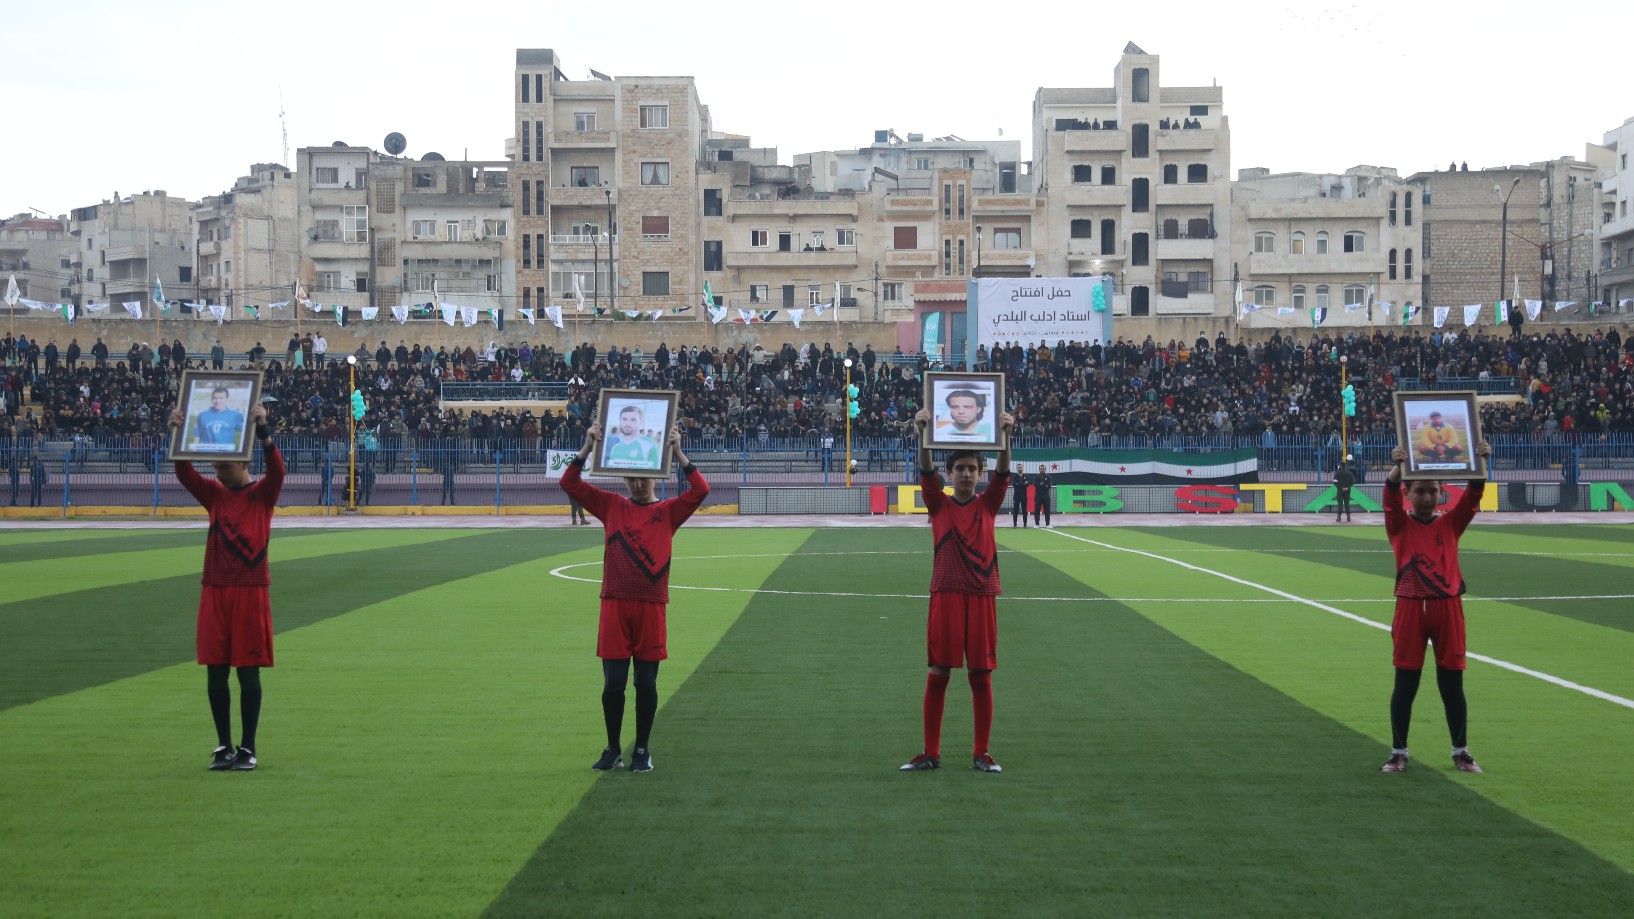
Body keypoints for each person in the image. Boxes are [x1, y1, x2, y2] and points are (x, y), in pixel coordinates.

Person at [561, 421, 709, 774]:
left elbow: (701, 489)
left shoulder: (668, 511)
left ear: (656, 477)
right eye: (630, 478)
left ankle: (641, 749)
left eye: (642, 478)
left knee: (645, 683)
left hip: (651, 605)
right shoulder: (611, 505)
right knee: (613, 684)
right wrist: (587, 447)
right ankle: (613, 749)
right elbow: (569, 483)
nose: (636, 483)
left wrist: (677, 451)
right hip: (615, 603)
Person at [169, 401, 284, 772]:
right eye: (215, 467)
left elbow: (278, 471)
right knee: (215, 669)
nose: (217, 473)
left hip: (251, 589)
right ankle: (223, 746)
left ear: (244, 462)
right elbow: (184, 473)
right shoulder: (215, 495)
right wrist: (178, 430)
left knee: (248, 670)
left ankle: (248, 748)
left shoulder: (262, 495)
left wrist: (263, 429)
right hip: (215, 588)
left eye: (224, 467)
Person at [901, 405, 1016, 774]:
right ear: (950, 473)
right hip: (946, 593)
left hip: (982, 594)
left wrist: (1006, 438)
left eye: (972, 469)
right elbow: (925, 473)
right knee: (939, 673)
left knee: (980, 676)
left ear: (980, 474)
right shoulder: (938, 504)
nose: (966, 474)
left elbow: (1003, 475)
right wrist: (922, 434)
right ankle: (930, 752)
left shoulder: (989, 504)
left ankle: (982, 752)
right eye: (960, 469)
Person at [1379, 439, 1491, 775]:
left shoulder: (1450, 524)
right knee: (1406, 684)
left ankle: (1461, 752)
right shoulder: (1399, 524)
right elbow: (1388, 496)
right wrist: (1399, 466)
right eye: (1420, 492)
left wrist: (1480, 460)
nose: (1427, 498)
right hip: (1411, 608)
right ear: (1409, 494)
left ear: (1442, 493)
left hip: (1447, 607)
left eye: (1433, 492)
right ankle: (1398, 752)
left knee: (1452, 685)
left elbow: (1473, 497)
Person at [602, 403, 660, 470]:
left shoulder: (651, 445)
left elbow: (653, 475)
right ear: (620, 421)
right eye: (624, 419)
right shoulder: (616, 447)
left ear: (641, 422)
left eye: (633, 419)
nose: (627, 423)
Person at [1334, 456, 1356, 522]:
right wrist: (1348, 487)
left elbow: (1335, 482)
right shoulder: (1349, 473)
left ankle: (1339, 518)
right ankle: (1348, 518)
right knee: (1347, 503)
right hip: (1347, 491)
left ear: (1340, 466)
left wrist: (1340, 488)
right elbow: (1353, 482)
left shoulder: (1337, 473)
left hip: (1340, 491)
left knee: (1340, 504)